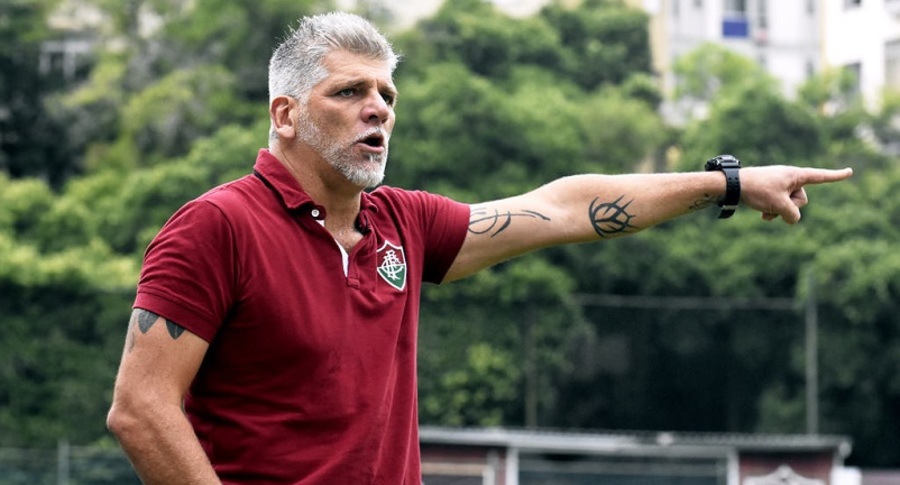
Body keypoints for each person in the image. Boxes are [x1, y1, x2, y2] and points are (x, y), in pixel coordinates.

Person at [106, 11, 853, 485]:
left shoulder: (402, 224)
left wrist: (728, 183)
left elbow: (562, 208)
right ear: (285, 114)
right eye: (350, 92)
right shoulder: (217, 226)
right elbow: (141, 410)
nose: (377, 109)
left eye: (387, 95)